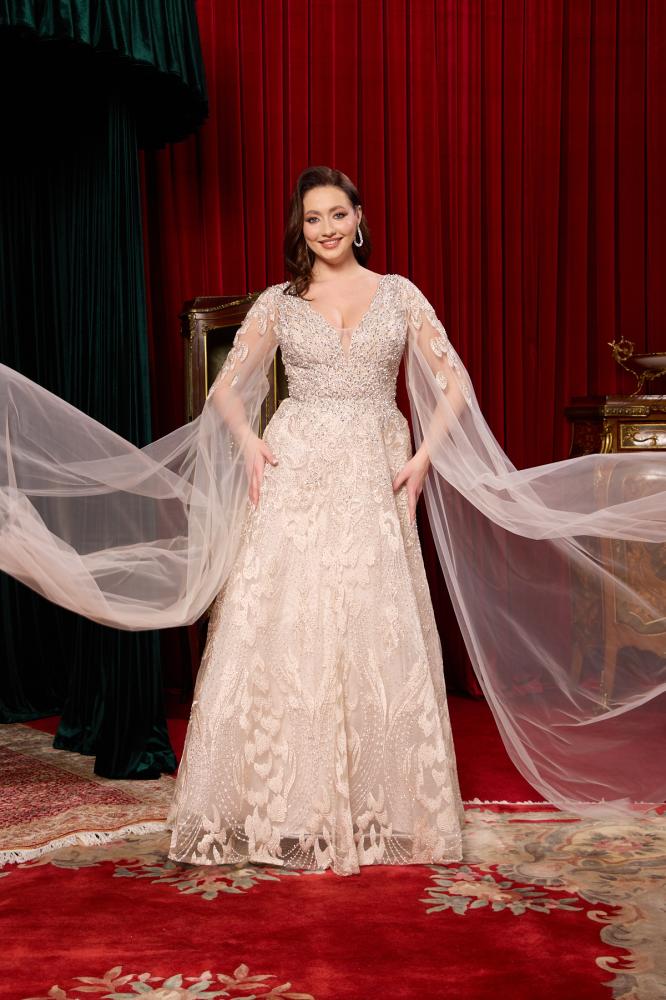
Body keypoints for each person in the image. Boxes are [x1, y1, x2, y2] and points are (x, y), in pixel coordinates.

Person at [1, 166, 665, 874]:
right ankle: (280, 806)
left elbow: (455, 385)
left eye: (337, 214)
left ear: (359, 218)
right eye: (313, 218)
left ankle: (381, 807)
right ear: (301, 227)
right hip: (296, 468)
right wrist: (250, 442)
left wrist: (424, 459)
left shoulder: (399, 294)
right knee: (287, 626)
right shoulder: (280, 303)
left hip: (374, 469)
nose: (326, 229)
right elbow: (227, 390)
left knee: (373, 624)